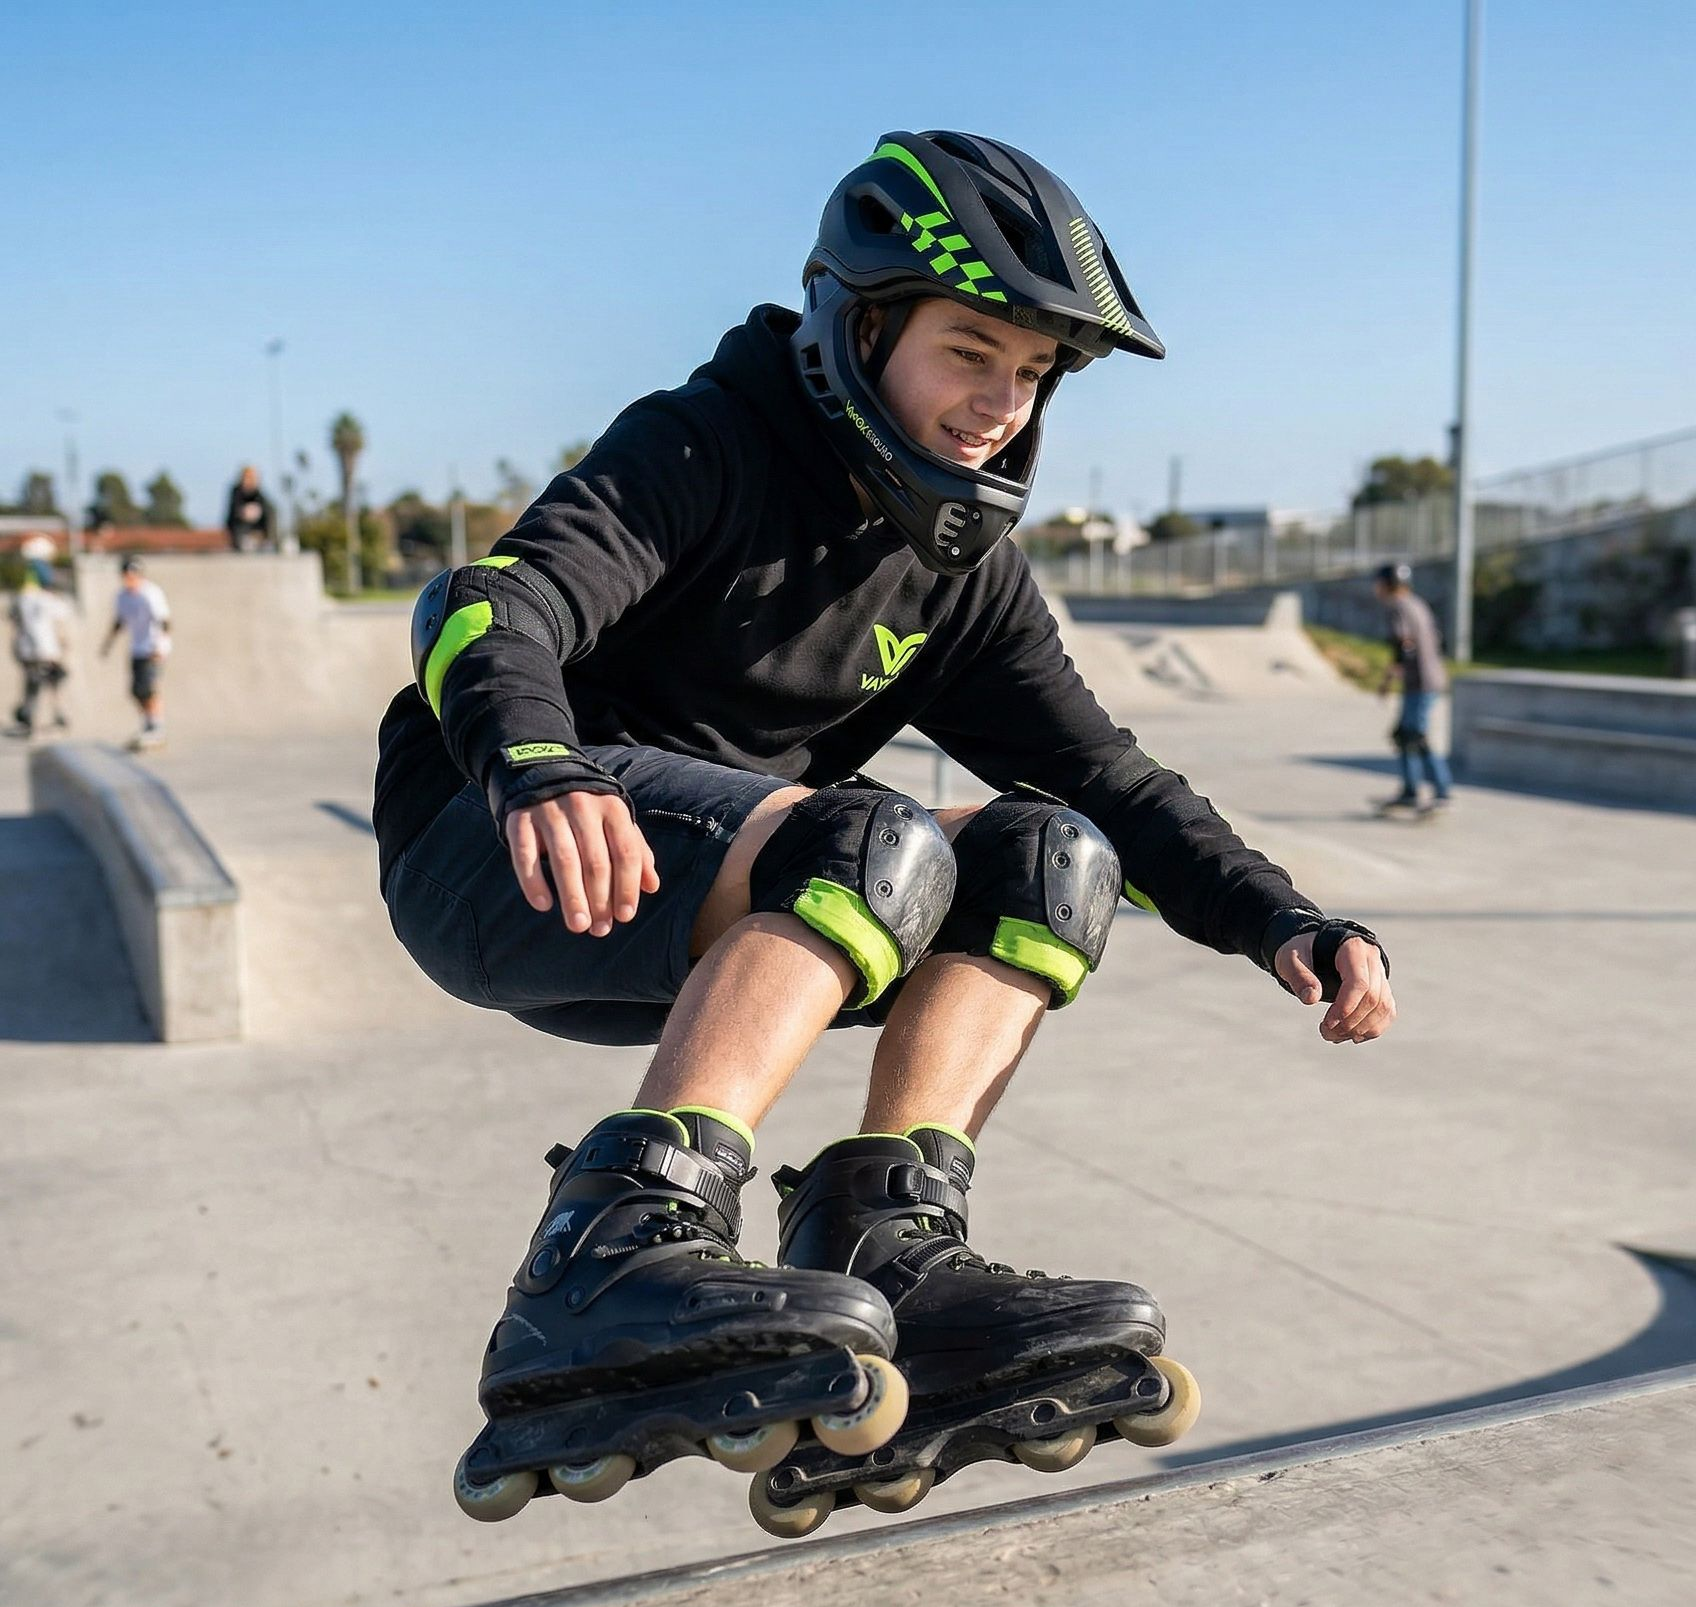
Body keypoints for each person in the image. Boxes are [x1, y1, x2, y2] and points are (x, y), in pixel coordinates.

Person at [375, 130, 1396, 1535]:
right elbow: (490, 606)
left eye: (1030, 375)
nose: (999, 404)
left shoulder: (960, 573)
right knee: (870, 842)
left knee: (1052, 855)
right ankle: (610, 1257)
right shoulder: (706, 439)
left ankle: (891, 1249)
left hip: (716, 905)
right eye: (970, 352)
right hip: (489, 849)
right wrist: (539, 768)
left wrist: (1286, 915)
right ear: (866, 329)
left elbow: (1110, 775)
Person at [1373, 560, 1453, 815]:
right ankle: (1410, 791)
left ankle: (1441, 793)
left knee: (1415, 737)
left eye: (1378, 584)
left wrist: (1388, 679)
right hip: (1428, 678)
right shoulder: (1418, 603)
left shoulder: (1397, 607)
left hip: (1420, 682)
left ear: (1387, 584)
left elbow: (1404, 646)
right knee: (1405, 735)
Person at [101, 556, 171, 750]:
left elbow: (164, 621)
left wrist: (161, 646)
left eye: (132, 576)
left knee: (149, 687)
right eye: (126, 576)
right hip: (137, 648)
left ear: (139, 575)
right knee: (135, 691)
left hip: (153, 647)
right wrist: (108, 643)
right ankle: (148, 724)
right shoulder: (122, 596)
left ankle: (157, 726)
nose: (129, 580)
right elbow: (120, 621)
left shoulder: (151, 593)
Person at [7, 550, 73, 738]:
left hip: (28, 650)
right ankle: (58, 716)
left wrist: (16, 647)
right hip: (48, 650)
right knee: (54, 684)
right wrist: (64, 648)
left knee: (32, 685)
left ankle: (30, 719)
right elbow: (61, 626)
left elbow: (13, 620)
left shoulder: (20, 598)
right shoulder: (50, 600)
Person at [224, 465, 275, 552]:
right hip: (239, 526)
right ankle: (241, 543)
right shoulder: (236, 491)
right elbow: (232, 511)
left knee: (270, 512)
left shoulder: (257, 493)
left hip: (256, 527)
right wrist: (243, 512)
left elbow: (268, 509)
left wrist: (257, 511)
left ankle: (267, 541)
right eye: (247, 478)